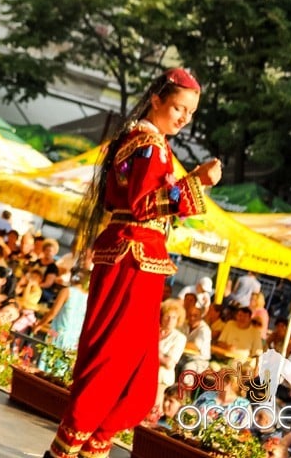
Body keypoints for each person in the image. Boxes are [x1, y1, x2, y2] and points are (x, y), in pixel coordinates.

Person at [45, 67, 221, 458]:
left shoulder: (138, 140)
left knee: (129, 369)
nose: (183, 118)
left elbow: (126, 201)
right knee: (115, 360)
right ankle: (69, 448)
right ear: (156, 99)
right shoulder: (149, 145)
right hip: (133, 256)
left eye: (190, 113)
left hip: (134, 255)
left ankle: (89, 447)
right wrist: (197, 181)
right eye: (178, 107)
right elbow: (144, 205)